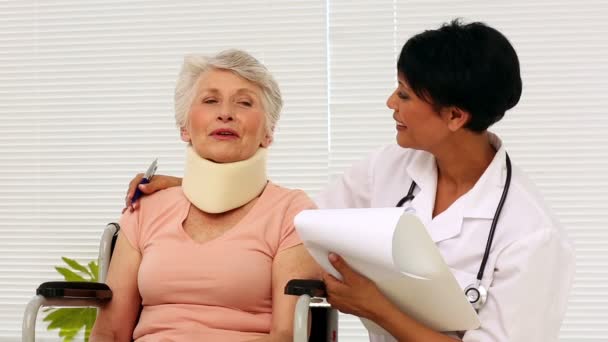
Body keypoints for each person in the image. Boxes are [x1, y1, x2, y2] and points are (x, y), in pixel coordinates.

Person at [125, 20, 575, 341]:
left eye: (404, 93)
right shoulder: (391, 167)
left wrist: (375, 306)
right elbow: (301, 224)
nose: (389, 102)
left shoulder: (532, 236)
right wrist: (197, 185)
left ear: (455, 117)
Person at [92, 49, 319, 341]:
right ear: (184, 127)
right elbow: (109, 331)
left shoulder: (292, 213)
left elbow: (288, 335)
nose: (225, 113)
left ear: (269, 131)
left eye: (245, 102)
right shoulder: (146, 209)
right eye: (210, 101)